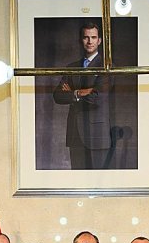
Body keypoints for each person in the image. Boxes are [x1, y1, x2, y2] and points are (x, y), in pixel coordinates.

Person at [51, 22, 121, 170]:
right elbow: (57, 95)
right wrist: (80, 92)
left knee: (98, 183)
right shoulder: (71, 67)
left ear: (99, 40)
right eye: (86, 37)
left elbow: (96, 97)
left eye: (93, 37)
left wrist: (72, 92)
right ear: (81, 40)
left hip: (97, 135)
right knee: (78, 183)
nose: (89, 41)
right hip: (75, 134)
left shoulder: (107, 67)